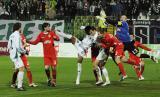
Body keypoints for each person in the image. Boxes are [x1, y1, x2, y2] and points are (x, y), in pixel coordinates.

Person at [27, 23, 59, 87]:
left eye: (49, 27)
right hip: (46, 55)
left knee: (53, 68)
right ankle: (49, 79)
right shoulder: (41, 35)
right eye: (48, 27)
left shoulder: (52, 33)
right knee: (46, 68)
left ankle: (54, 81)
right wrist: (28, 41)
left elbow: (58, 39)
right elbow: (35, 42)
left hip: (53, 55)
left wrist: (55, 36)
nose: (49, 28)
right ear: (44, 28)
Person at [8, 22, 27, 91]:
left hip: (13, 54)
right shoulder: (17, 35)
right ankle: (19, 86)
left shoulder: (11, 35)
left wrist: (11, 52)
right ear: (19, 27)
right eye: (21, 27)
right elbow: (18, 46)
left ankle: (13, 84)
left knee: (17, 69)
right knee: (21, 68)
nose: (21, 28)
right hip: (16, 54)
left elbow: (9, 46)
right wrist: (24, 51)